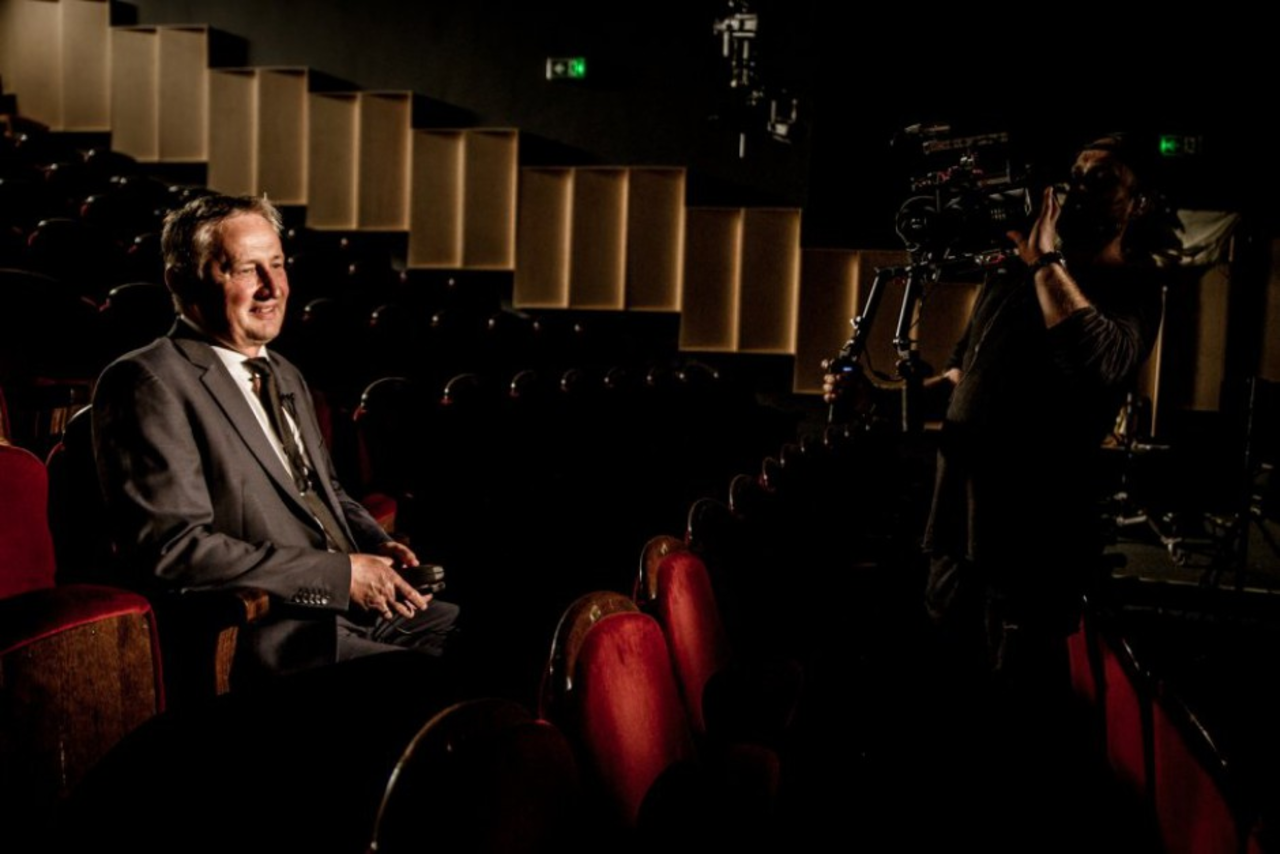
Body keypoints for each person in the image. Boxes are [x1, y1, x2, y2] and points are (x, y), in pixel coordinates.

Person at [826, 134, 1164, 688]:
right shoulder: (1012, 274)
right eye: (1077, 175)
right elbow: (961, 380)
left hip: (1033, 542)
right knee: (940, 685)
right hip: (956, 523)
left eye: (1102, 180)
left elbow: (1099, 363)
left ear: (1140, 202)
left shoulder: (1134, 283)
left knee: (1012, 699)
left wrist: (1046, 261)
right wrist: (875, 398)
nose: (1079, 188)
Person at [92, 193, 458, 683]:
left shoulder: (283, 371)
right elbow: (175, 550)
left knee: (507, 648)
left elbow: (324, 492)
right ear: (180, 280)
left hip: (358, 612)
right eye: (246, 270)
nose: (272, 289)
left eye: (278, 265)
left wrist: (377, 545)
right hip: (276, 632)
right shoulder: (147, 381)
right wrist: (341, 577)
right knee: (443, 690)